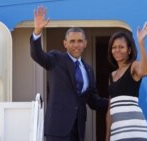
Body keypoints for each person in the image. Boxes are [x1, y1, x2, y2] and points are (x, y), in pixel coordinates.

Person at [30, 6, 108, 141]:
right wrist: (37, 32)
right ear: (65, 44)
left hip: (78, 129)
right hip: (58, 128)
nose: (76, 45)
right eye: (72, 41)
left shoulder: (89, 70)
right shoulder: (56, 59)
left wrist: (114, 102)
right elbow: (38, 55)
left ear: (85, 44)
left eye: (79, 41)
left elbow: (93, 101)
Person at [105, 22, 147, 141]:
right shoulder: (111, 76)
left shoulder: (134, 66)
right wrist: (107, 137)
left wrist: (141, 44)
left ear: (129, 50)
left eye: (121, 47)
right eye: (114, 47)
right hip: (117, 129)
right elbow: (110, 109)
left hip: (134, 127)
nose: (117, 50)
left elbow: (146, 71)